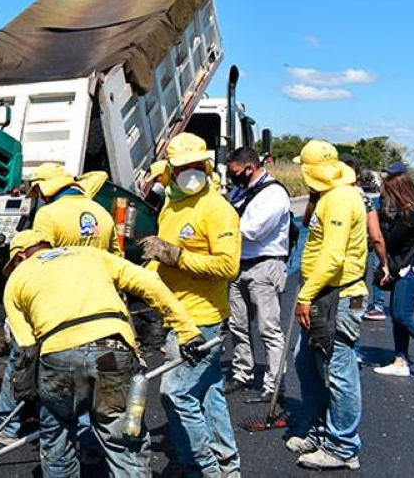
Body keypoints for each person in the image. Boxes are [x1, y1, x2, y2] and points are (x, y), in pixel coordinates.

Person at [3, 230, 204, 478]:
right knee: (124, 438)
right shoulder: (90, 254)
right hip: (110, 353)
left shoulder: (17, 278)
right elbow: (149, 282)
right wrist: (187, 332)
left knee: (57, 435)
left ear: (20, 256)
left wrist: (30, 389)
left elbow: (26, 346)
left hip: (60, 358)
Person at [0, 163, 122, 446]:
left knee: (22, 357)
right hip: (93, 305)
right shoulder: (102, 214)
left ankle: (7, 425)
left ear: (45, 188)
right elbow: (117, 260)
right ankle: (88, 439)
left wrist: (19, 313)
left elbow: (39, 262)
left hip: (55, 304)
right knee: (85, 374)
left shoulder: (49, 215)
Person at [139, 132, 242, 478]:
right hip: (176, 313)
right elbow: (162, 256)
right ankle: (228, 467)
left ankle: (201, 469)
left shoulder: (217, 209)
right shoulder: (172, 204)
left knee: (176, 393)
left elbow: (228, 266)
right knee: (209, 393)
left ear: (208, 165)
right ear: (171, 170)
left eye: (198, 165)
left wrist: (179, 256)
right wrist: (141, 275)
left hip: (201, 319)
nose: (192, 172)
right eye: (184, 167)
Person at [288, 140, 367, 470]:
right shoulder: (331, 196)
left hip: (337, 297)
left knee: (339, 372)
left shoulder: (338, 200)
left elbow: (333, 257)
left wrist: (305, 296)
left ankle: (343, 445)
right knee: (306, 360)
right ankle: (321, 430)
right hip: (325, 294)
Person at [226, 146, 291, 402]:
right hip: (239, 265)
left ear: (250, 168)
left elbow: (252, 230)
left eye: (236, 172)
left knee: (269, 328)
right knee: (238, 325)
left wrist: (222, 226)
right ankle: (242, 373)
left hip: (264, 266)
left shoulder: (273, 193)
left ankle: (274, 384)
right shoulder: (240, 191)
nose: (233, 178)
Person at [371, 162, 414, 378]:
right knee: (398, 316)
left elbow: (389, 240)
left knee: (402, 315)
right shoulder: (413, 210)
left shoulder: (411, 214)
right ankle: (400, 360)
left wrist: (374, 218)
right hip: (410, 269)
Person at [339, 155, 388, 321]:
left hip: (341, 252)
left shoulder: (328, 196)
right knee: (356, 285)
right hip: (358, 250)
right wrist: (383, 262)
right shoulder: (363, 199)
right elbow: (376, 236)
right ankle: (354, 316)